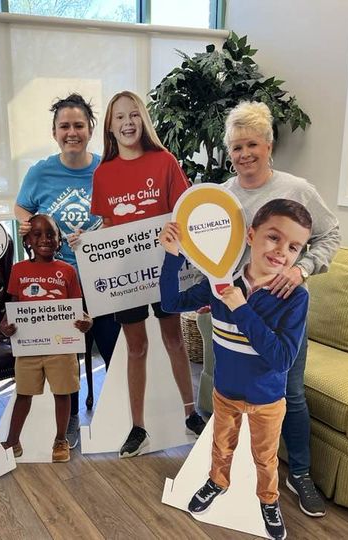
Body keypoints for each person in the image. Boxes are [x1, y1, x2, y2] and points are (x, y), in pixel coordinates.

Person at [159, 199, 313, 540]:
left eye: (293, 247)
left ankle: (268, 501)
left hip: (268, 398)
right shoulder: (221, 283)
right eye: (274, 238)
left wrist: (242, 310)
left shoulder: (296, 298)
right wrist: (171, 256)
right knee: (221, 447)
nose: (281, 252)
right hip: (226, 391)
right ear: (250, 235)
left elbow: (282, 359)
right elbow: (170, 303)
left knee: (265, 457)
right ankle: (217, 482)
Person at [222, 101, 341, 517]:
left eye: (252, 144)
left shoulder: (298, 190)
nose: (244, 155)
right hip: (229, 311)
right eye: (236, 147)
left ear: (269, 146)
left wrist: (303, 268)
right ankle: (226, 474)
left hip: (282, 313)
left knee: (290, 391)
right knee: (228, 394)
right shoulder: (221, 198)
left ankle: (301, 474)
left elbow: (330, 235)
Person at [90, 90, 207, 459]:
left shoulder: (164, 161)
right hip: (126, 276)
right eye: (119, 117)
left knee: (174, 340)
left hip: (165, 270)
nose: (127, 123)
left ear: (143, 121)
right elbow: (107, 224)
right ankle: (138, 427)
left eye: (134, 115)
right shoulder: (104, 173)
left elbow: (182, 212)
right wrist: (88, 240)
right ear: (110, 126)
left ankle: (191, 414)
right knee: (136, 347)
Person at [14, 93, 120, 449]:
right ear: (54, 132)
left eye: (78, 125)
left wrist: (99, 233)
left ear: (90, 129)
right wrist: (30, 228)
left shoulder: (108, 168)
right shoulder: (40, 171)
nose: (71, 132)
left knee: (112, 346)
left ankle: (120, 415)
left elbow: (120, 214)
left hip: (102, 276)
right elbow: (21, 208)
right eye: (64, 126)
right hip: (56, 282)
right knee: (66, 358)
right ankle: (69, 420)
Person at [0, 214, 92, 463]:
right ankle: (12, 440)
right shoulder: (19, 270)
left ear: (59, 240)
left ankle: (60, 439)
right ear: (27, 240)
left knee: (63, 394)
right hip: (28, 347)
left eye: (51, 234)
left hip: (61, 346)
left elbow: (78, 309)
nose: (45, 239)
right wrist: (5, 325)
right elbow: (13, 308)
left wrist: (87, 322)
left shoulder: (67, 271)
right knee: (23, 394)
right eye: (37, 234)